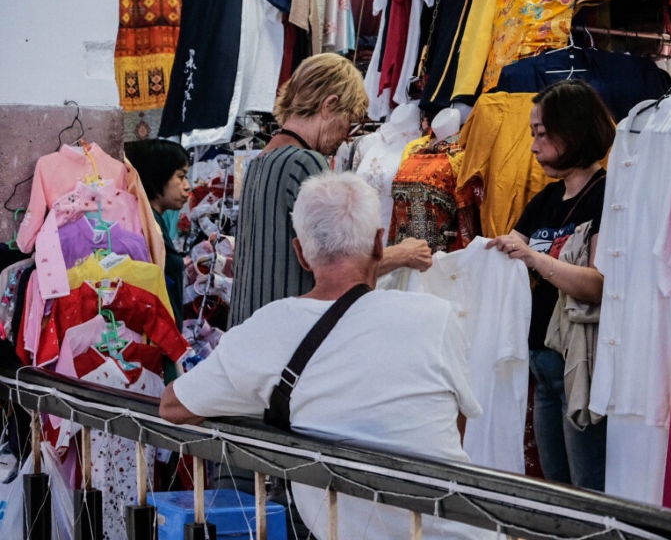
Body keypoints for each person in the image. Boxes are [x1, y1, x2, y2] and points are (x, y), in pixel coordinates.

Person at [161, 172, 491, 539]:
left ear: (300, 252)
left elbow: (172, 406)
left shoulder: (268, 329)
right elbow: (455, 425)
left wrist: (273, 399)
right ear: (381, 244)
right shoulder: (436, 316)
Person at [228, 53, 431, 330]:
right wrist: (405, 254)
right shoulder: (304, 162)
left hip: (252, 330)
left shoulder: (259, 164)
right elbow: (340, 269)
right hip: (289, 336)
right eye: (348, 120)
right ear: (329, 105)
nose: (348, 135)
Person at [487, 80, 613, 491]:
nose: (534, 147)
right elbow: (515, 244)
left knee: (588, 491)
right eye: (533, 135)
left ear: (573, 131)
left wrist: (534, 258)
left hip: (580, 364)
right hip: (541, 366)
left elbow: (597, 284)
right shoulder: (546, 198)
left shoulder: (606, 196)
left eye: (542, 135)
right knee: (555, 489)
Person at [124, 139, 192, 330]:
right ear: (158, 176)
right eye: (181, 176)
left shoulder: (153, 221)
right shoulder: (147, 225)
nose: (187, 186)